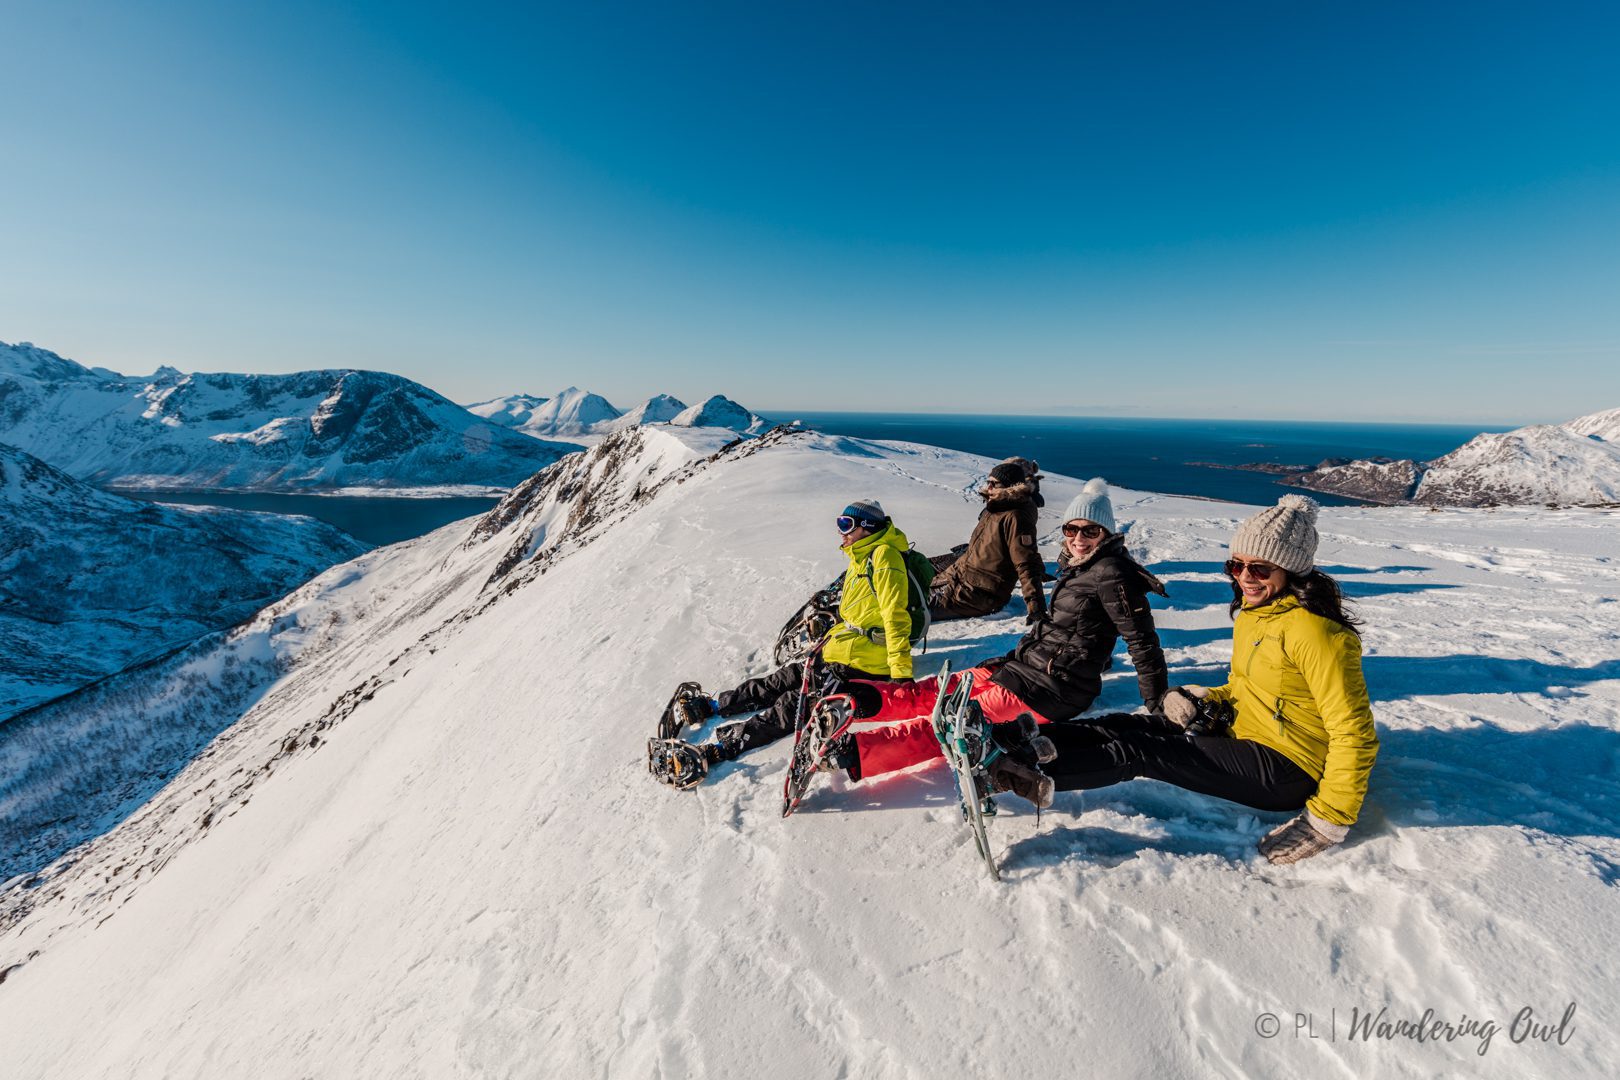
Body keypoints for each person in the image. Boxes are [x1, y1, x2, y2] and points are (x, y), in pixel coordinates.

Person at [1032, 494, 1379, 865]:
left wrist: (1327, 821)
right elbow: (1247, 686)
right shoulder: (1256, 614)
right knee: (1124, 725)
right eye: (1236, 565)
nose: (1245, 577)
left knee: (1140, 752)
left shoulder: (1318, 634)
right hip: (1243, 735)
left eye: (1259, 569)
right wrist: (1204, 696)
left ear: (1290, 570)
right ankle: (1025, 743)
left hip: (1287, 769)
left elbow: (1354, 733)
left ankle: (1016, 775)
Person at [809, 479, 1168, 805]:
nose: (1078, 537)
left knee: (947, 724)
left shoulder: (1113, 575)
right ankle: (857, 703)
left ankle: (849, 752)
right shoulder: (1080, 566)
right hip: (1021, 670)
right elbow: (1066, 632)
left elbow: (1143, 642)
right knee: (935, 690)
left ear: (1107, 533)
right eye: (1071, 528)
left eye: (1090, 530)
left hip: (1051, 689)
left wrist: (1158, 706)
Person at [657, 499, 916, 781]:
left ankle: (720, 748)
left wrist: (901, 673)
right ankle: (716, 706)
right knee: (782, 679)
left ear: (866, 527)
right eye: (840, 523)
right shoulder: (860, 558)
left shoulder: (885, 557)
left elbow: (895, 616)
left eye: (846, 524)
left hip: (862, 662)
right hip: (838, 650)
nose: (841, 531)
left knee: (792, 706)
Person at [928, 458, 1048, 623]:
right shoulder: (995, 508)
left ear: (1010, 487)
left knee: (908, 607)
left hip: (979, 594)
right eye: (988, 482)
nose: (989, 487)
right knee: (905, 592)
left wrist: (1036, 608)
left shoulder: (1015, 516)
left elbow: (1026, 562)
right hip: (961, 580)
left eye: (994, 483)